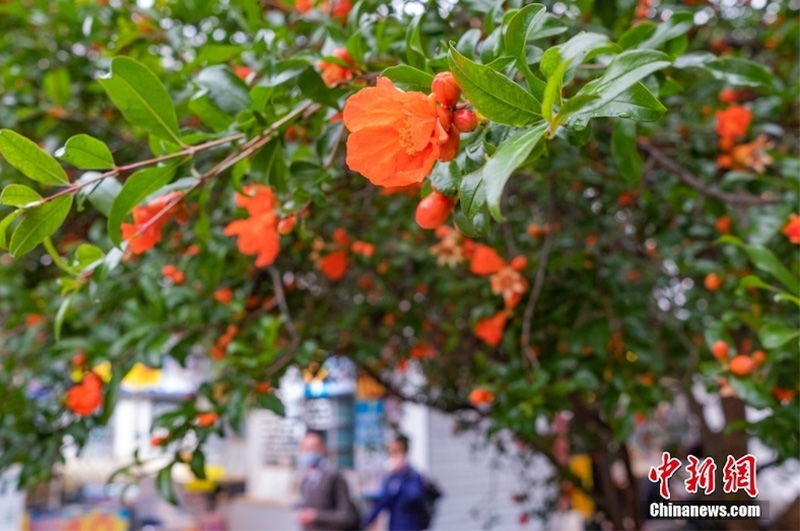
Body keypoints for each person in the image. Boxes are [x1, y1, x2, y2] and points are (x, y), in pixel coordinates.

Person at [296, 430, 361, 530]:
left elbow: (347, 516)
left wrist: (316, 516)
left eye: (314, 448)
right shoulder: (305, 480)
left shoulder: (334, 478)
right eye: (306, 448)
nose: (310, 452)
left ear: (322, 449)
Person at [362, 435, 429, 531]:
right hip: (395, 526)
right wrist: (366, 522)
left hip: (411, 526)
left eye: (396, 453)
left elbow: (414, 496)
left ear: (404, 454)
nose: (393, 457)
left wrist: (400, 479)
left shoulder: (412, 475)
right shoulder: (391, 478)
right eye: (391, 454)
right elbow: (382, 501)